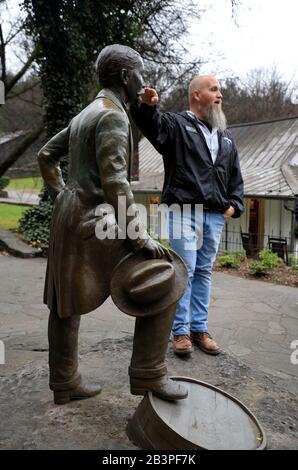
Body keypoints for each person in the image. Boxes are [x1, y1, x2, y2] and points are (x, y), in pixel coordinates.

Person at [38, 44, 188, 404]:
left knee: (64, 302)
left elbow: (46, 155)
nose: (142, 80)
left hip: (68, 213)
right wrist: (139, 238)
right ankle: (149, 375)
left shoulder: (86, 113)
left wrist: (63, 194)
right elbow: (116, 183)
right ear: (125, 77)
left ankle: (64, 382)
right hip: (92, 217)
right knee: (165, 273)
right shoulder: (114, 116)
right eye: (139, 73)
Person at [131, 75, 244, 357]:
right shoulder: (177, 125)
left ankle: (199, 329)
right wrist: (147, 107)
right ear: (196, 95)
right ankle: (180, 332)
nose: (220, 95)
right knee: (185, 271)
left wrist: (234, 205)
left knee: (204, 272)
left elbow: (235, 177)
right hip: (184, 210)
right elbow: (152, 126)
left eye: (220, 90)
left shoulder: (226, 137)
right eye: (214, 89)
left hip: (215, 215)